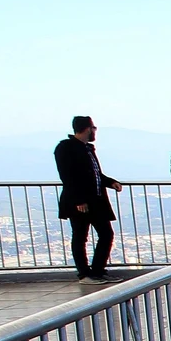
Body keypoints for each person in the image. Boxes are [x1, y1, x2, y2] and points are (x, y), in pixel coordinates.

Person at [53, 116, 124, 284]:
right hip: (79, 202)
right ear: (88, 129)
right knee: (80, 236)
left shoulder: (87, 149)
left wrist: (110, 182)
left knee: (106, 234)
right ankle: (84, 274)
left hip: (96, 201)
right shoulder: (66, 148)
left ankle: (98, 270)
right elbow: (68, 176)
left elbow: (95, 174)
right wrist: (79, 200)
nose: (94, 132)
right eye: (94, 128)